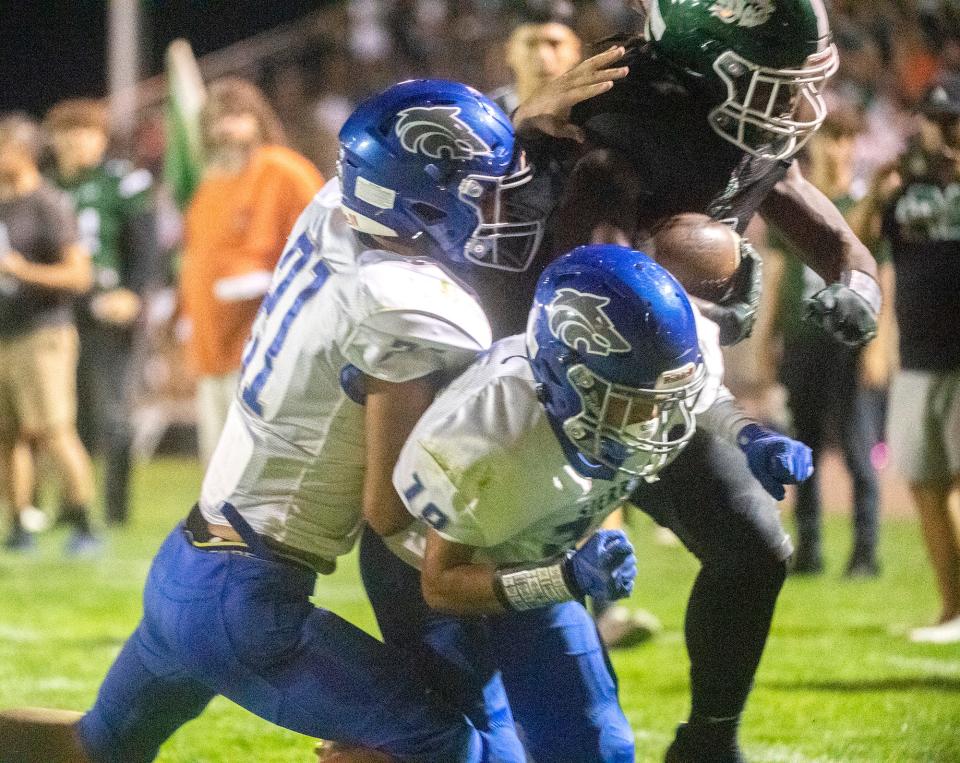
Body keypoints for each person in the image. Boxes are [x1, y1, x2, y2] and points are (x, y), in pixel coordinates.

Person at [0, 79, 544, 763]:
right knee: (447, 746)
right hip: (248, 600)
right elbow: (387, 507)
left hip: (189, 563)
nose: (493, 209)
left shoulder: (333, 208)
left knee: (88, 748)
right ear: (418, 199)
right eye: (476, 191)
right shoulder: (407, 304)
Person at [449, 3, 883, 758]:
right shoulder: (616, 134)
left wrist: (859, 288)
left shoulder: (729, 120)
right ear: (705, 63)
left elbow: (828, 231)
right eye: (772, 84)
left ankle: (710, 739)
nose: (793, 106)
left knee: (754, 547)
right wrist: (705, 289)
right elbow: (586, 296)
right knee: (545, 672)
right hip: (537, 397)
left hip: (644, 388)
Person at [361, 244, 812, 763]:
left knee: (600, 749)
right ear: (568, 379)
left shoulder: (655, 370)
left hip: (535, 557)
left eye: (658, 402)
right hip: (429, 574)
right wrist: (565, 579)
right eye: (631, 404)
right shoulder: (487, 437)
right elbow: (441, 584)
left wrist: (749, 435)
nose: (651, 422)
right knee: (478, 751)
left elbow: (696, 392)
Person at [756, 107, 887, 576]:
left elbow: (881, 277)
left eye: (844, 140)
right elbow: (774, 276)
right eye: (828, 139)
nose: (836, 149)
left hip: (847, 347)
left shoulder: (866, 207)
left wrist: (877, 346)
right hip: (803, 341)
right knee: (802, 450)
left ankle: (865, 554)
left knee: (857, 448)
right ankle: (808, 551)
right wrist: (765, 340)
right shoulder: (795, 206)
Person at [858, 74, 960, 643]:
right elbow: (853, 245)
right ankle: (951, 609)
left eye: (952, 121)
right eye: (935, 119)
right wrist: (876, 191)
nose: (942, 132)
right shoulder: (902, 185)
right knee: (924, 484)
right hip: (918, 355)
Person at [179, 77, 324, 463]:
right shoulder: (209, 184)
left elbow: (326, 242)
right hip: (213, 342)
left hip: (266, 342)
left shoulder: (283, 170)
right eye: (218, 119)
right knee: (218, 463)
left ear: (259, 120)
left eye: (238, 116)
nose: (227, 129)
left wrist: (268, 280)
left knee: (260, 462)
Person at [43, 98, 160, 525]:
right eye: (69, 134)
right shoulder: (45, 186)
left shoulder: (123, 182)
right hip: (53, 313)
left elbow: (147, 246)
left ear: (102, 138)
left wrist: (133, 293)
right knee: (58, 416)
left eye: (88, 134)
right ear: (53, 140)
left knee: (112, 413)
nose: (79, 143)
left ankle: (115, 511)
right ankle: (69, 507)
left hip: (105, 309)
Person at [0, 114, 98, 555]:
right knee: (7, 436)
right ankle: (21, 523)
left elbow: (79, 275)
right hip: (3, 332)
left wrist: (23, 271)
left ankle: (83, 521)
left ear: (24, 151)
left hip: (42, 334)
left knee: (53, 430)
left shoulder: (48, 203)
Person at [491, 18, 583, 116]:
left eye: (554, 44)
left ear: (576, 50)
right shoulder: (486, 115)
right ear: (509, 52)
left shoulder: (596, 112)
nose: (542, 56)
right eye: (530, 44)